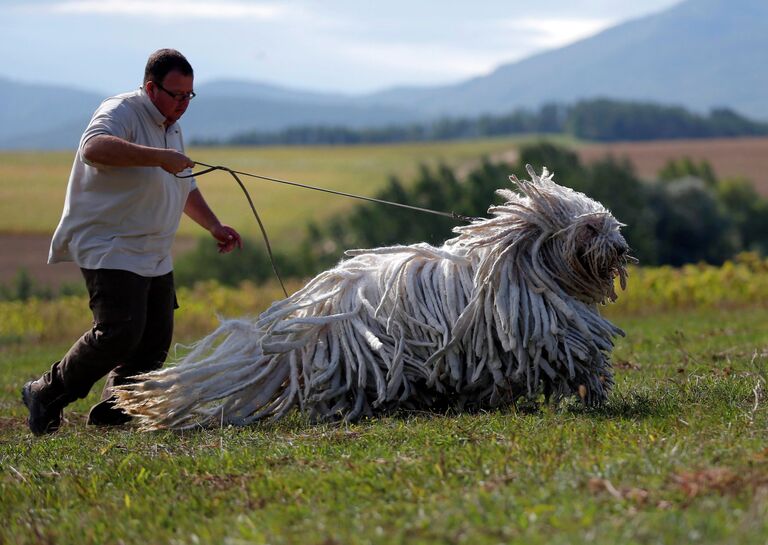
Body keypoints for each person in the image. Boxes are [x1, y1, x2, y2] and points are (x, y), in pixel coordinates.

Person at [21, 48, 242, 435]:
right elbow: (93, 148)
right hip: (110, 243)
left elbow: (183, 186)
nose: (182, 104)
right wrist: (159, 157)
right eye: (176, 95)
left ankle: (117, 409)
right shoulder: (121, 110)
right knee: (120, 331)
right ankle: (45, 392)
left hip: (154, 249)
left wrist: (214, 225)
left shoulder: (171, 123)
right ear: (150, 87)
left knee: (155, 339)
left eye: (189, 96)